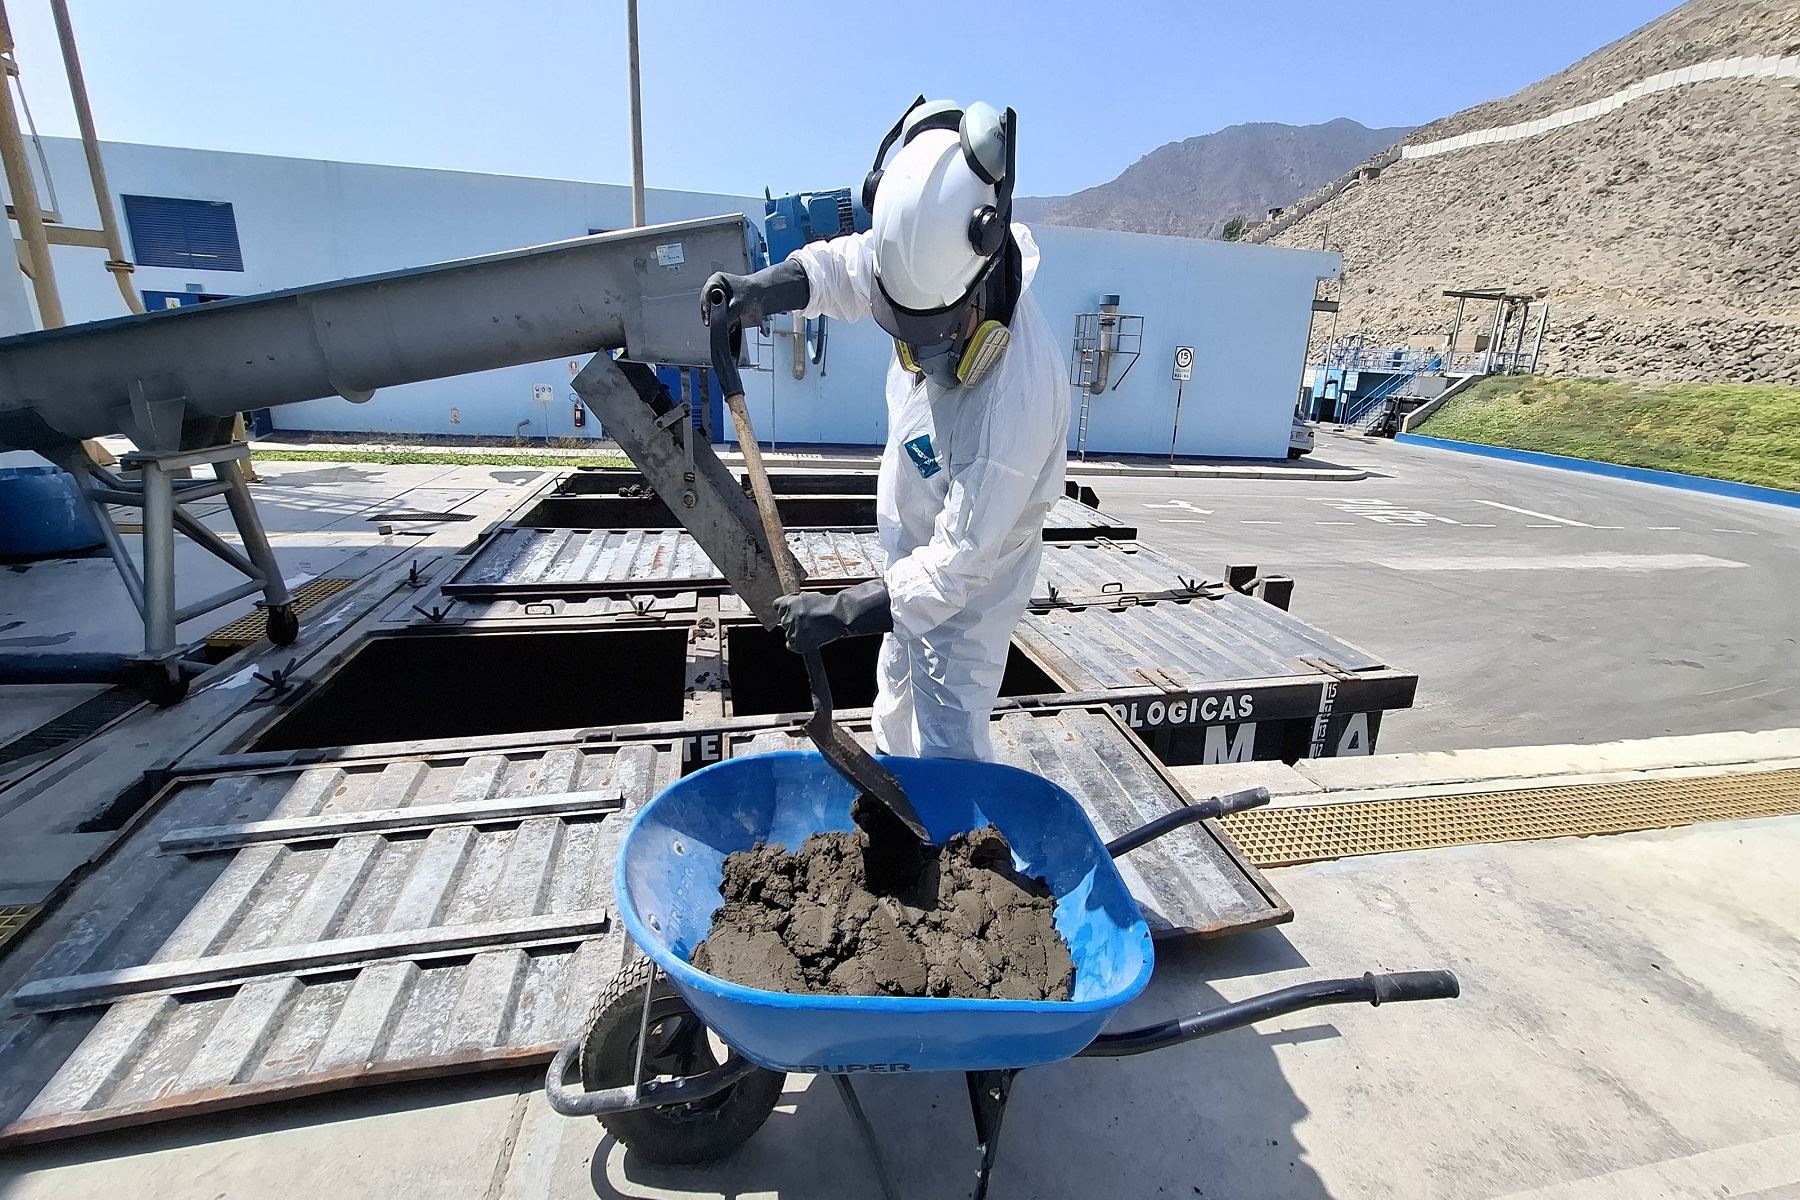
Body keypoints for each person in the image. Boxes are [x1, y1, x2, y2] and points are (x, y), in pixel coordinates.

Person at [703, 98, 1069, 762]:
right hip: (912, 557)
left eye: (940, 334)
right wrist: (760, 290)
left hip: (973, 579)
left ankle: (957, 843)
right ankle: (901, 808)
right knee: (895, 694)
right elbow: (845, 268)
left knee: (949, 723)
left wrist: (840, 613)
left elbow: (955, 567)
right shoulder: (921, 251)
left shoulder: (1014, 401)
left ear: (984, 279)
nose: (925, 357)